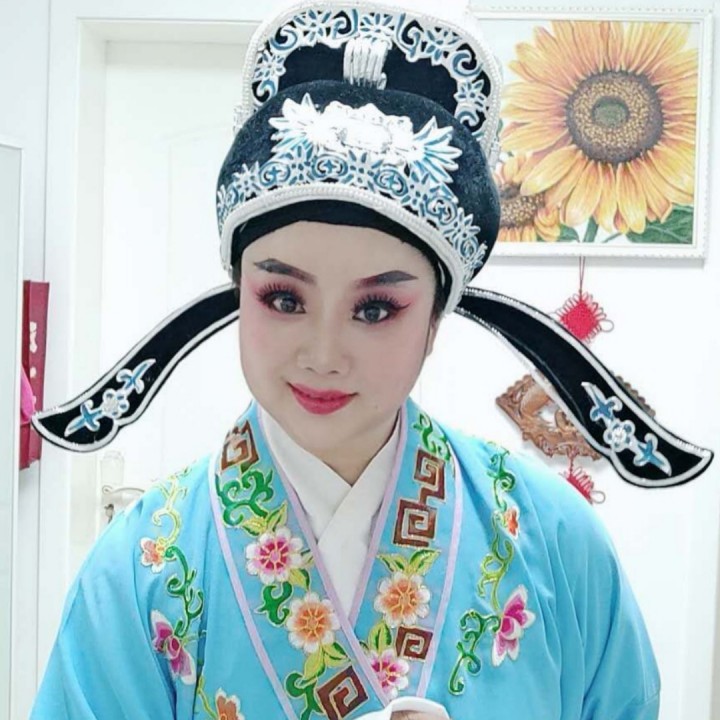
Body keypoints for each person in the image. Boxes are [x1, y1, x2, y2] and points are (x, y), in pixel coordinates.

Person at [31, 1, 712, 718]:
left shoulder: (556, 542)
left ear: (436, 319)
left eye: (377, 309)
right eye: (283, 298)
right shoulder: (140, 567)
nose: (324, 355)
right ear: (238, 292)